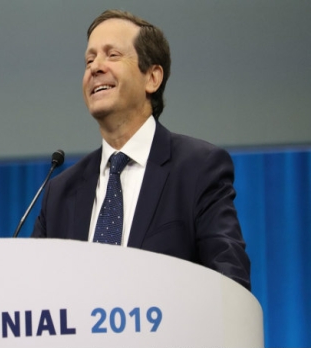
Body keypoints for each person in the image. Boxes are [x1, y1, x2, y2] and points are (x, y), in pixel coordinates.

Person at [31, 9, 251, 290]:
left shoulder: (198, 169)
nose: (95, 67)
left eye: (112, 55)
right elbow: (33, 295)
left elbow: (230, 283)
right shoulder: (59, 193)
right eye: (89, 60)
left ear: (153, 78)